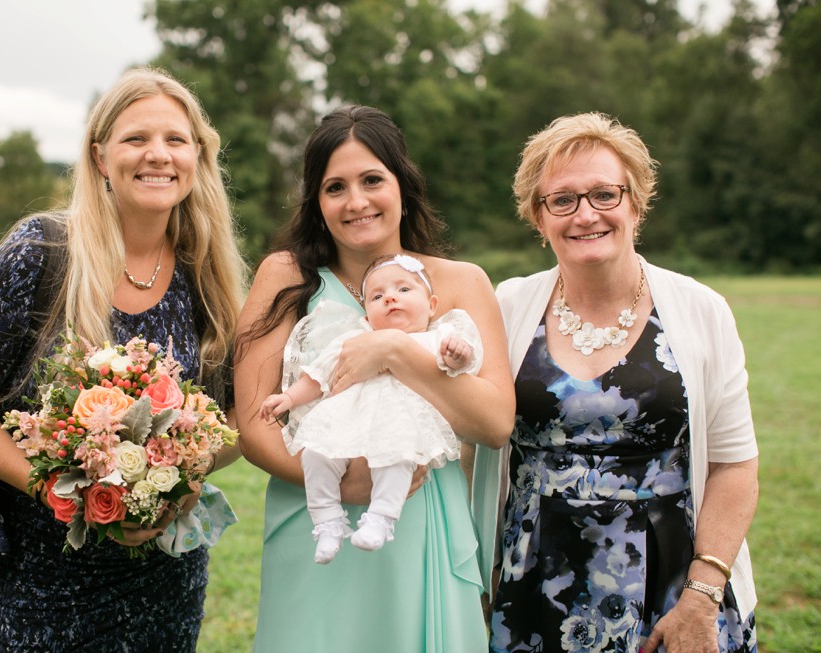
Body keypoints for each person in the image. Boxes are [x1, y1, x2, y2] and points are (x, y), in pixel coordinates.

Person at [0, 66, 246, 653]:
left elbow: (235, 419)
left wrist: (181, 480)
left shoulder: (206, 276)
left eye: (176, 139)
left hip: (166, 581)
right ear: (99, 158)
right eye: (135, 139)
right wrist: (59, 491)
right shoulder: (39, 254)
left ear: (198, 155)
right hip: (44, 584)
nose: (158, 155)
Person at [470, 112, 758, 653]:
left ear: (635, 202)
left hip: (672, 590)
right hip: (533, 590)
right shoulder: (504, 307)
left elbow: (735, 464)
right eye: (563, 200)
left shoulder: (701, 310)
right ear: (538, 216)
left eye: (605, 194)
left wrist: (701, 596)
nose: (586, 214)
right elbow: (467, 445)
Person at [234, 105, 515, 652]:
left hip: (418, 513)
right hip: (312, 511)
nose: (356, 201)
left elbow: (497, 423)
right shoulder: (286, 277)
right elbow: (254, 422)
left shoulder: (459, 283)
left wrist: (391, 349)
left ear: (402, 186)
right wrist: (345, 486)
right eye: (335, 187)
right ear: (317, 202)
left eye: (371, 180)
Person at [258, 253, 483, 564]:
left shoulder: (436, 339)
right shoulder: (353, 340)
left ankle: (381, 518)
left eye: (404, 290)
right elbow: (319, 375)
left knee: (398, 457)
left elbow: (461, 368)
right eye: (377, 296)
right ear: (366, 314)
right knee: (316, 453)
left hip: (400, 422)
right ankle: (326, 521)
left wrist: (458, 354)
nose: (390, 297)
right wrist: (289, 398)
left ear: (432, 305)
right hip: (347, 418)